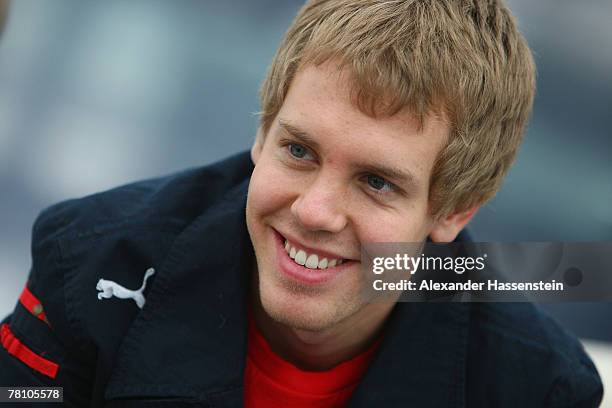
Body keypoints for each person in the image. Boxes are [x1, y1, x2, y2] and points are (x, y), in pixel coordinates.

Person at [0, 0, 604, 407]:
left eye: (377, 183)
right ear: (261, 135)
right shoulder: (88, 263)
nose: (315, 212)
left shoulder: (534, 384)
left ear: (454, 211)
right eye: (299, 150)